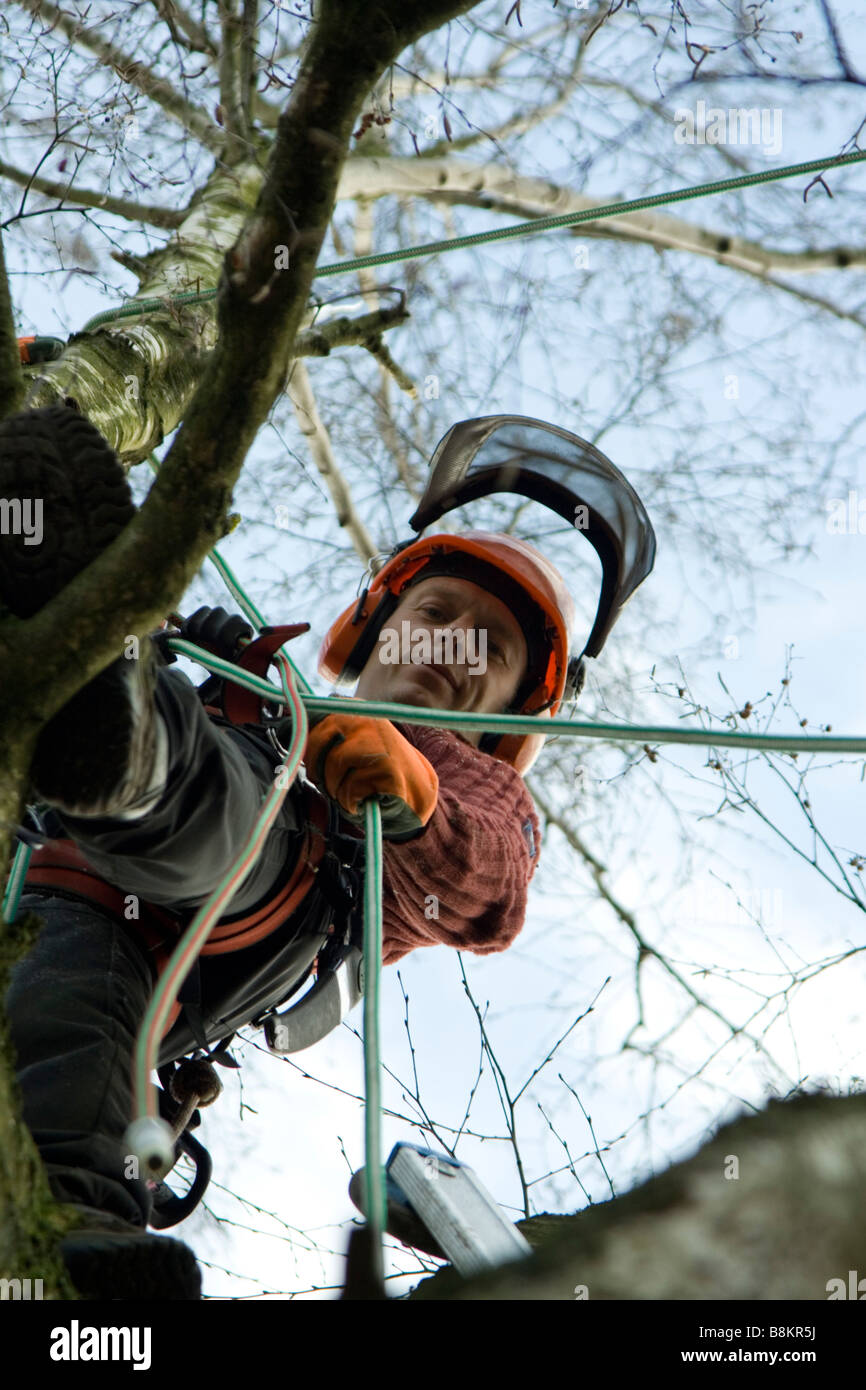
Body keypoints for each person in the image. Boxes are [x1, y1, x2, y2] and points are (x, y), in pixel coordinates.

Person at [0, 403, 580, 1300]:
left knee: (227, 836)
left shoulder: (476, 784)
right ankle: (92, 670)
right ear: (379, 631)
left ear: (510, 714)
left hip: (236, 924)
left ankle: (137, 757)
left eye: (490, 646)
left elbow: (489, 888)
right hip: (46, 868)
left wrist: (417, 801)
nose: (449, 641)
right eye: (434, 612)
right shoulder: (269, 705)